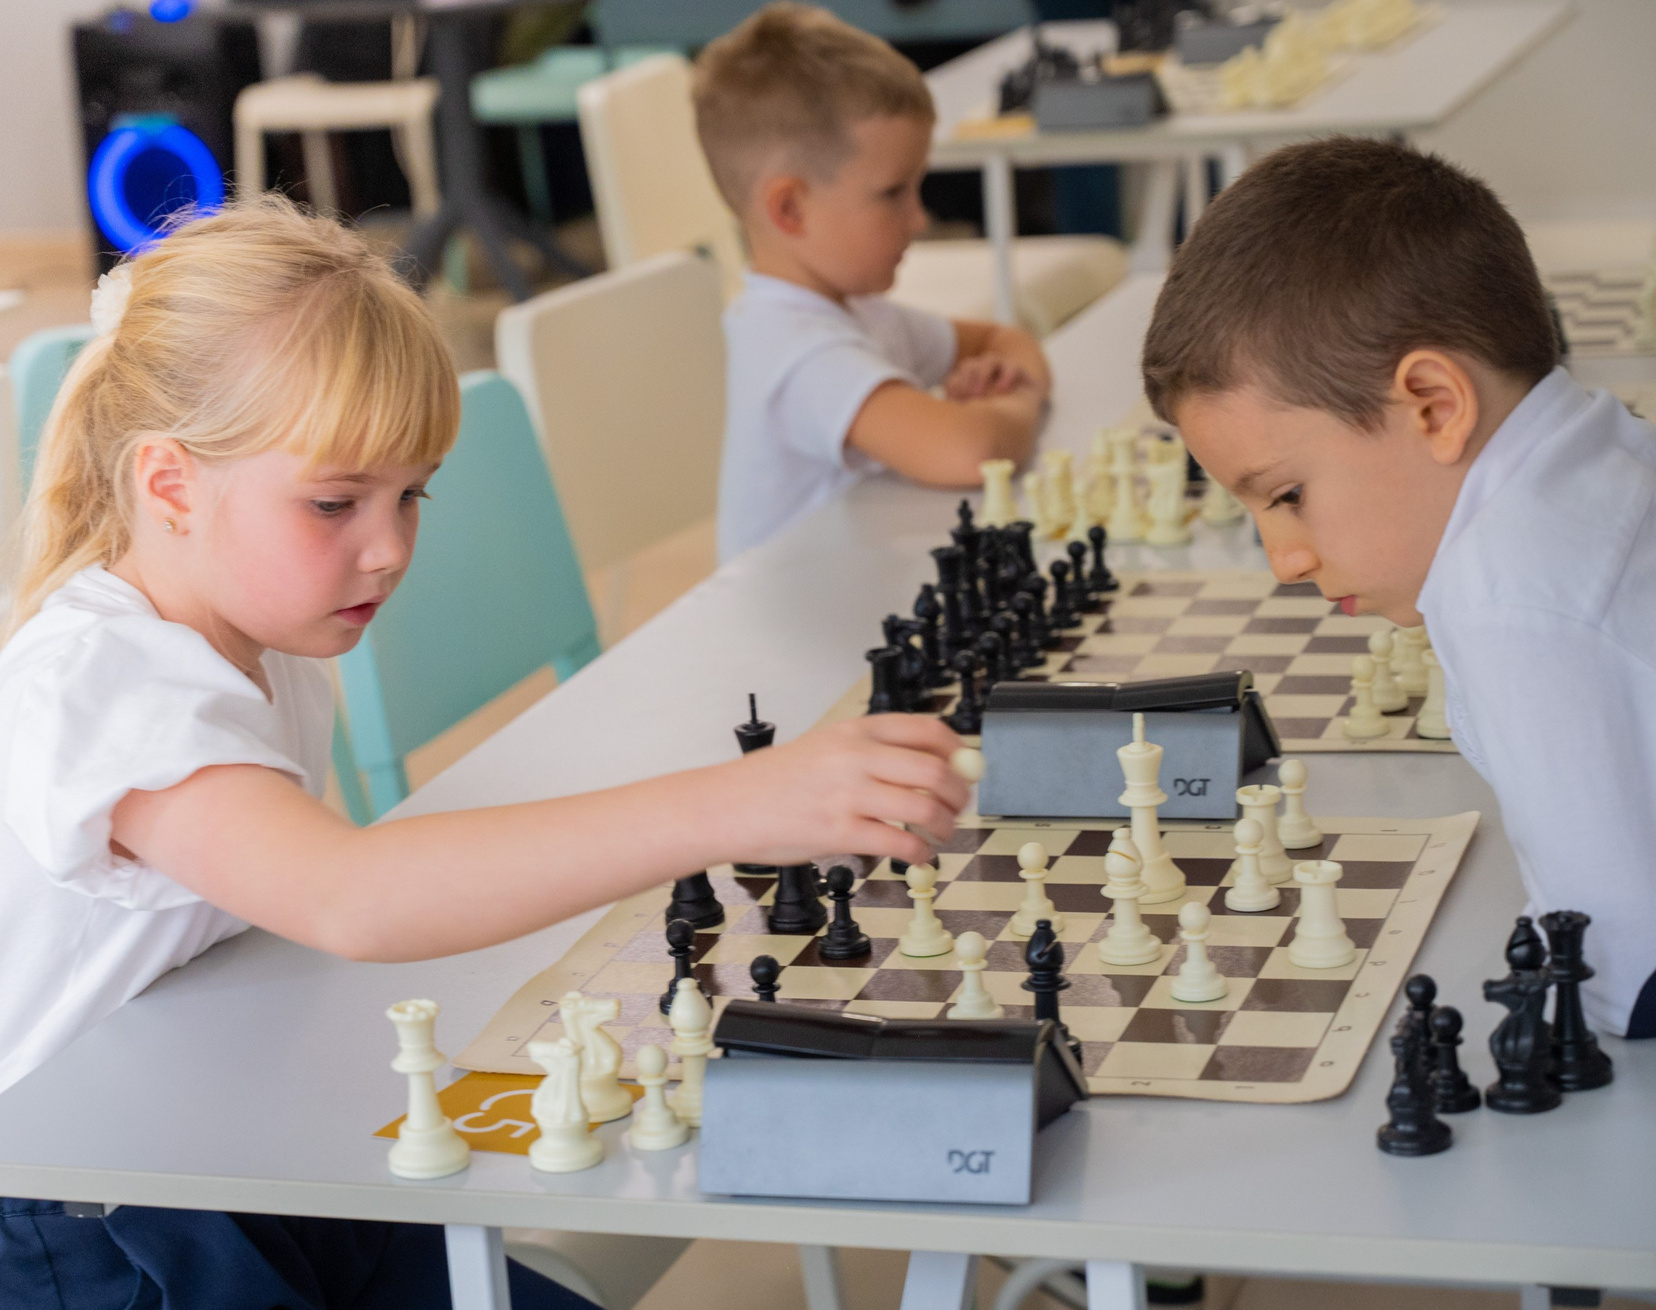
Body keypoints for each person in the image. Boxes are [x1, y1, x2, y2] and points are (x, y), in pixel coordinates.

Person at [0, 198, 972, 1310]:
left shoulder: (266, 639)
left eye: (413, 494)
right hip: (83, 1254)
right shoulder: (105, 686)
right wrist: (741, 803)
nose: (391, 547)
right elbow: (350, 895)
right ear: (169, 487)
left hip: (248, 1160)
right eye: (336, 502)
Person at [1143, 136, 1656, 1039]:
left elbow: (1618, 970)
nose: (1282, 559)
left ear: (1434, 405)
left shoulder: (1505, 601)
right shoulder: (1612, 448)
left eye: (1286, 496)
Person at [694, 2, 1053, 561]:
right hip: (794, 614)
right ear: (790, 209)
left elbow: (1006, 340)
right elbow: (973, 452)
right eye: (893, 193)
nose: (920, 218)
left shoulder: (859, 312)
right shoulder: (794, 350)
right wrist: (1017, 399)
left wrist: (996, 380)